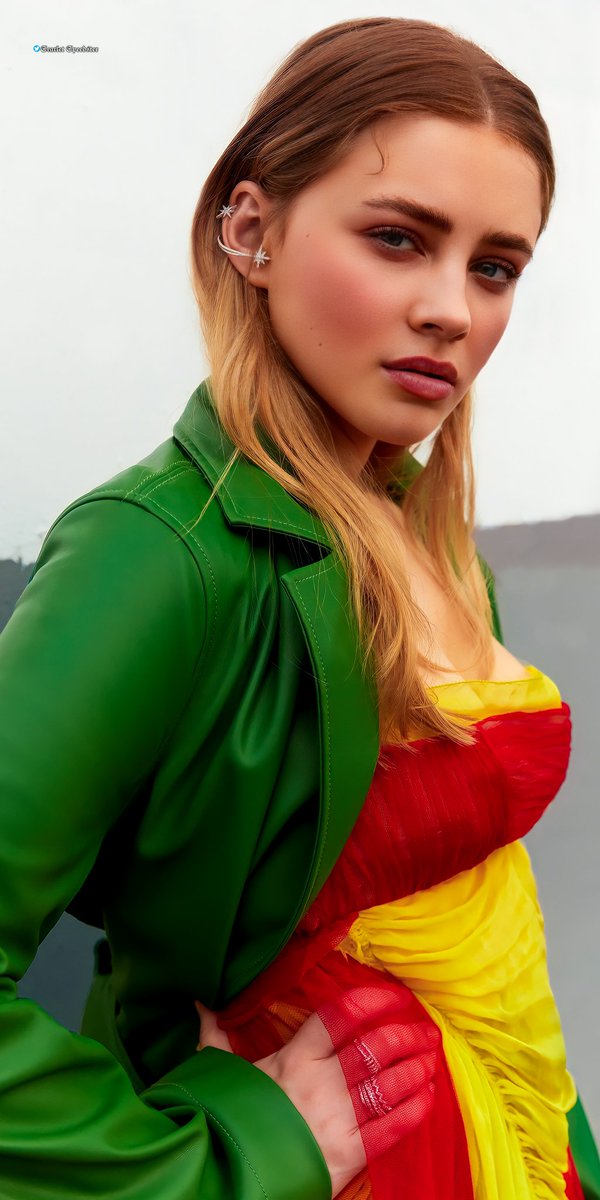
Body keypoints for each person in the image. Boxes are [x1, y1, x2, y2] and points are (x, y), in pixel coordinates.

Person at [0, 14, 598, 1199]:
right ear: (251, 229)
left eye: (494, 267)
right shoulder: (155, 555)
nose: (452, 310)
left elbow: (479, 933)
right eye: (397, 238)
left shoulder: (431, 540)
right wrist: (238, 1157)